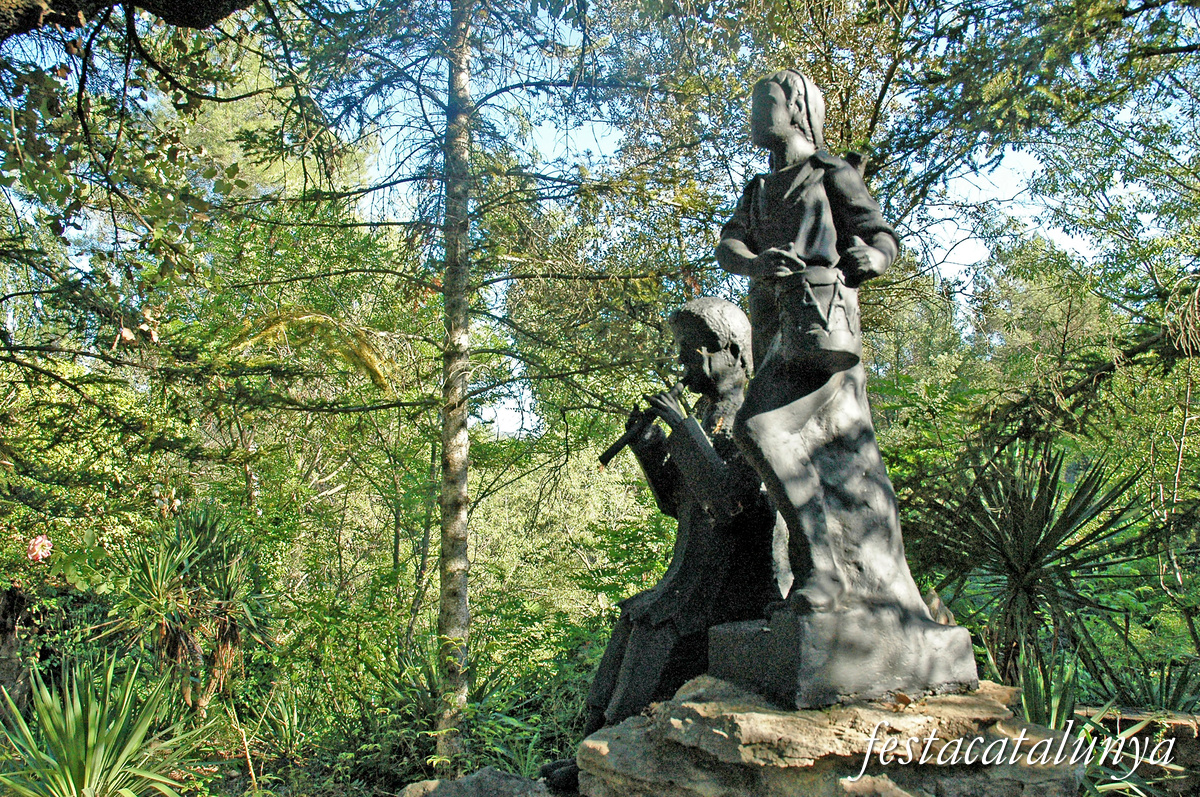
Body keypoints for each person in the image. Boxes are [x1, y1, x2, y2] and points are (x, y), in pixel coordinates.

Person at [541, 298, 779, 792]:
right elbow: (676, 502)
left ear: (731, 352)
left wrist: (684, 429)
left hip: (730, 586)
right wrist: (648, 445)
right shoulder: (704, 413)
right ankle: (589, 751)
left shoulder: (751, 418)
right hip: (691, 574)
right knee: (634, 619)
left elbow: (730, 505)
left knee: (654, 629)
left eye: (690, 353)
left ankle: (608, 754)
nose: (682, 366)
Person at [716, 70, 923, 615]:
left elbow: (880, 234)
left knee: (757, 429)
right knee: (776, 438)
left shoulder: (827, 172)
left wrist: (874, 258)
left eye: (767, 102)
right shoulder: (758, 190)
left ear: (799, 107)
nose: (756, 113)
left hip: (821, 336)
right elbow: (728, 246)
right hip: (776, 333)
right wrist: (755, 261)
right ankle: (818, 574)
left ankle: (824, 573)